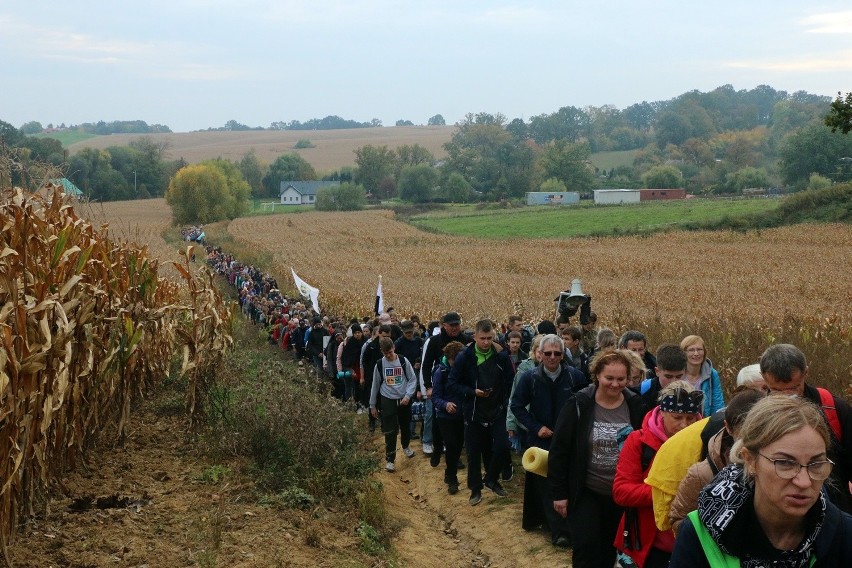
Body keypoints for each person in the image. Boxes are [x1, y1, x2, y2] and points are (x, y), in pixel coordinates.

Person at [670, 395, 852, 567]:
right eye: (785, 463)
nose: (804, 482)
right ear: (749, 460)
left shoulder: (843, 535)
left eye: (815, 464)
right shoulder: (701, 535)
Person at [548, 350, 646, 568]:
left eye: (621, 379)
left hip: (621, 494)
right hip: (586, 491)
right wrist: (559, 493)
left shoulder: (635, 406)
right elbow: (559, 450)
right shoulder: (579, 404)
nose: (615, 384)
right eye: (609, 378)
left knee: (611, 549)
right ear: (597, 376)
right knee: (586, 547)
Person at [613, 381, 704, 568]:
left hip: (689, 545)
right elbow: (621, 491)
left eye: (690, 418)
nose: (684, 425)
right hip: (646, 545)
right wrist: (668, 492)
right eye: (677, 417)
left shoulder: (707, 440)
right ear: (662, 412)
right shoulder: (639, 441)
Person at [510, 334, 589, 547]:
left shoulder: (575, 377)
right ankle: (558, 531)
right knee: (546, 486)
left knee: (569, 482)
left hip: (569, 440)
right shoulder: (530, 378)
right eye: (548, 353)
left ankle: (569, 526)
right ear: (540, 355)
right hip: (541, 440)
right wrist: (536, 428)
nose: (553, 357)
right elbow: (516, 405)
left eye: (557, 353)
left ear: (563, 355)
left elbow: (587, 404)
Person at [760, 343, 852, 513]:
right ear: (764, 378)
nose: (787, 397)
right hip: (780, 512)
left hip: (835, 510)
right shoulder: (757, 418)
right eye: (777, 391)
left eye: (794, 388)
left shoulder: (834, 409)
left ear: (806, 373)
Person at [668, 388, 765, 535]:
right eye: (744, 435)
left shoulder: (785, 464)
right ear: (728, 427)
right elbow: (678, 522)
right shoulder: (702, 474)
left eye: (760, 432)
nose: (752, 443)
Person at [448, 319, 514, 506]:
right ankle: (475, 489)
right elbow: (453, 383)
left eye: (489, 338)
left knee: (502, 446)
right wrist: (471, 392)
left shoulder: (501, 356)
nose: (486, 342)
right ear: (475, 337)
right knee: (473, 453)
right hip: (474, 412)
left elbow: (510, 381)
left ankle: (491, 479)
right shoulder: (465, 357)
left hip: (498, 410)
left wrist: (506, 402)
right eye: (482, 338)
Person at [420, 312, 473, 463]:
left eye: (457, 324)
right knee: (437, 419)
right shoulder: (435, 341)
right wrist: (428, 386)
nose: (455, 328)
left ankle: (454, 456)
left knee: (457, 424)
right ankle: (436, 446)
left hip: (459, 386)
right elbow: (426, 365)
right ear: (444, 326)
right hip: (440, 384)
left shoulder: (466, 340)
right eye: (452, 325)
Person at [369, 337, 418, 472]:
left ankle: (406, 446)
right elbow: (375, 385)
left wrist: (408, 395)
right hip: (387, 399)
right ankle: (390, 459)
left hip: (403, 398)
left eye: (390, 352)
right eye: (386, 353)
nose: (389, 355)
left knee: (405, 425)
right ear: (382, 352)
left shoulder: (403, 361)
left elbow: (412, 379)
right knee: (390, 430)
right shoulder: (379, 364)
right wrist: (372, 405)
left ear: (394, 348)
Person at [431, 341, 466, 495]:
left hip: (462, 414)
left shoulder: (465, 371)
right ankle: (452, 478)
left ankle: (449, 472)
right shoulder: (441, 372)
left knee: (458, 446)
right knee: (451, 444)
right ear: (450, 358)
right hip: (444, 416)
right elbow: (435, 397)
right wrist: (446, 405)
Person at [634, 343, 688, 417]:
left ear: (685, 372)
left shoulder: (690, 395)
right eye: (668, 376)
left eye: (679, 376)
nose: (674, 382)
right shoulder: (642, 392)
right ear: (657, 371)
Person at [680, 335, 725, 416]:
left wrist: (715, 423)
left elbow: (717, 403)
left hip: (704, 421)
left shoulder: (712, 374)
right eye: (691, 350)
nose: (696, 353)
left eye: (699, 349)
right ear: (683, 353)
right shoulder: (677, 374)